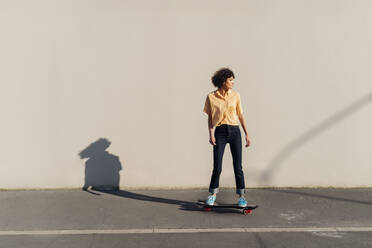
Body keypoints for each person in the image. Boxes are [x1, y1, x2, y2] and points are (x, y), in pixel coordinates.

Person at [203, 67, 251, 207]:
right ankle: (212, 194)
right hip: (220, 133)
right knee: (217, 166)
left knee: (238, 166)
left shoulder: (236, 95)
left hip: (235, 131)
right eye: (230, 80)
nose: (233, 82)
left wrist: (247, 134)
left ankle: (242, 196)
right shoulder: (211, 97)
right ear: (223, 81)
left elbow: (241, 115)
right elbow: (210, 118)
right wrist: (211, 134)